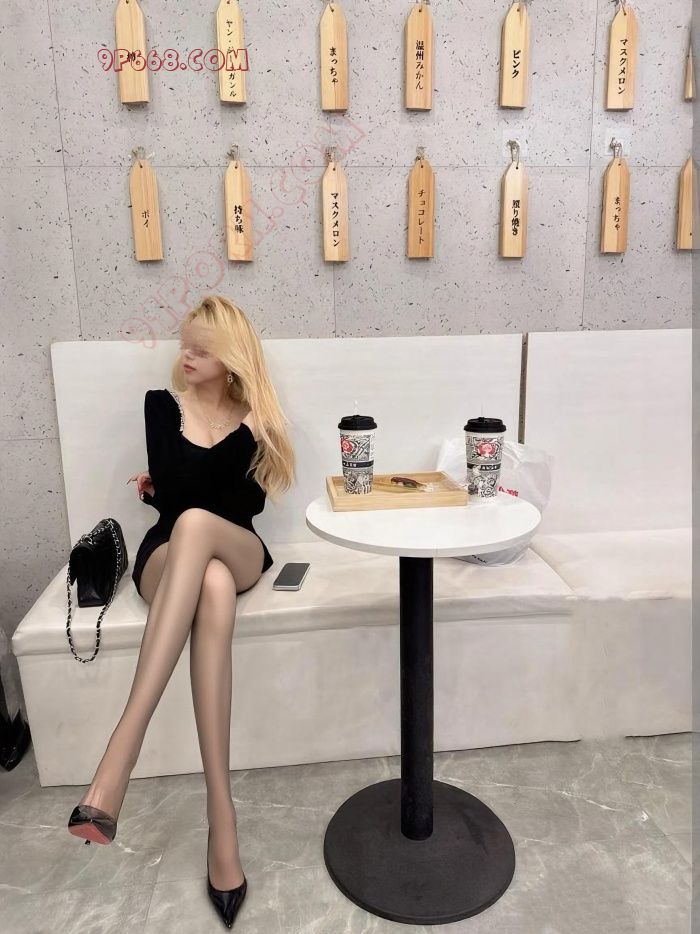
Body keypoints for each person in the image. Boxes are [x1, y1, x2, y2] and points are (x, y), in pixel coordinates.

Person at [67, 295, 296, 928]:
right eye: (184, 344)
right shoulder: (161, 407)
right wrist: (182, 486)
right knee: (210, 579)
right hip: (168, 556)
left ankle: (119, 756)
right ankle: (223, 827)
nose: (186, 356)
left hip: (236, 544)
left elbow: (244, 505)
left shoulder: (257, 417)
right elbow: (176, 490)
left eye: (201, 348)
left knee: (201, 524)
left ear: (231, 356)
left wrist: (231, 447)